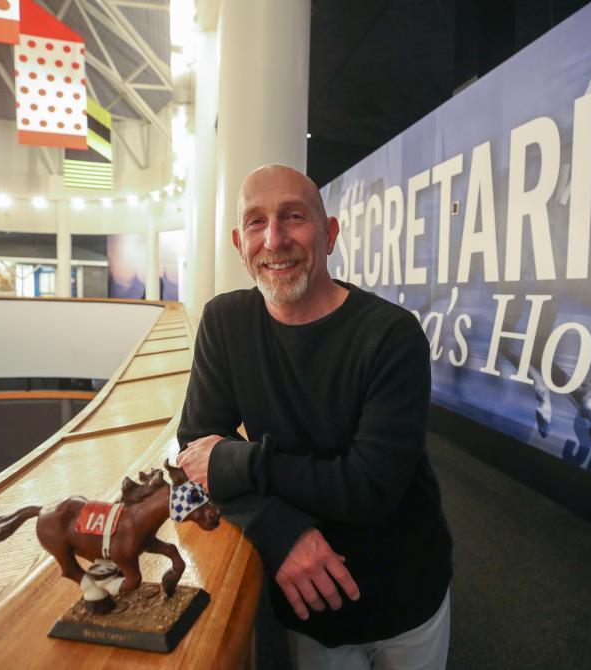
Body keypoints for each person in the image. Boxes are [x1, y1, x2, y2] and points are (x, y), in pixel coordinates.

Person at [176, 164, 453, 669]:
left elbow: (370, 488)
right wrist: (278, 530)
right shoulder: (225, 321)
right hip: (306, 600)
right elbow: (196, 450)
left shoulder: (391, 335)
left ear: (329, 234)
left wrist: (242, 464)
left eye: (293, 217)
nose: (275, 239)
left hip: (404, 586)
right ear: (240, 243)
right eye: (256, 223)